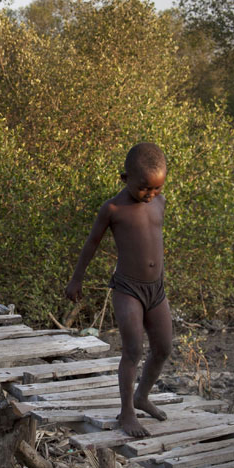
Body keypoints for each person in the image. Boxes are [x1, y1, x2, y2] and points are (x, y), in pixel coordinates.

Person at [64, 142, 173, 437]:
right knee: (133, 349)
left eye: (157, 189)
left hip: (156, 290)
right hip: (128, 289)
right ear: (124, 179)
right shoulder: (113, 208)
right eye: (144, 188)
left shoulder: (160, 203)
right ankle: (126, 411)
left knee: (163, 347)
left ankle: (142, 396)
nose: (151, 195)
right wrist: (77, 279)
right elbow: (91, 245)